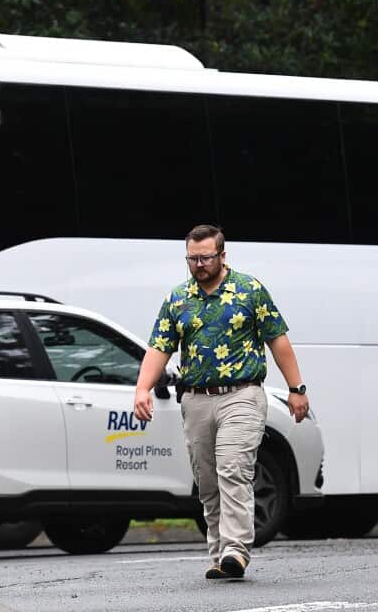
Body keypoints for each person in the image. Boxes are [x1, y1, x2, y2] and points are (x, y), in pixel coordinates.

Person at [133, 224, 309, 580]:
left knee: (233, 468)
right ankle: (219, 554)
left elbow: (277, 339)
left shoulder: (249, 290)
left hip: (242, 395)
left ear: (222, 255)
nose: (199, 265)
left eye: (205, 258)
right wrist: (142, 389)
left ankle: (236, 550)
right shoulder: (178, 299)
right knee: (208, 481)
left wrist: (296, 388)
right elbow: (159, 347)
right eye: (192, 259)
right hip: (196, 400)